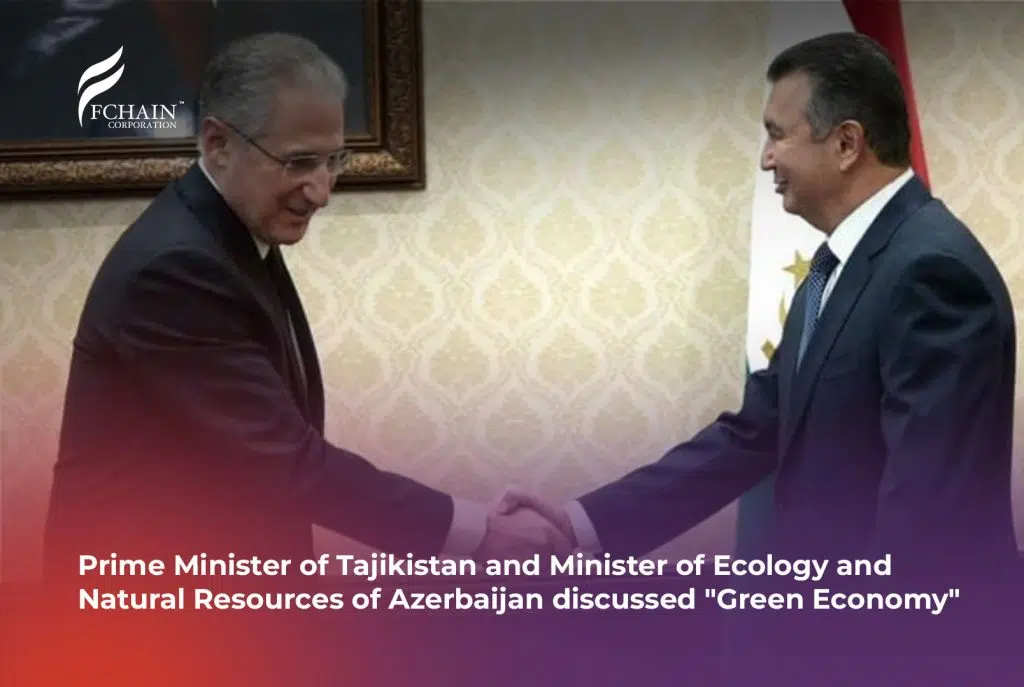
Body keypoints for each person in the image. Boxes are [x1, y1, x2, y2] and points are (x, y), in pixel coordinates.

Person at [499, 32, 1020, 683]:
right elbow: (757, 431)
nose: (766, 158)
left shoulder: (929, 270)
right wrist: (581, 525)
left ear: (847, 143)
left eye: (777, 134)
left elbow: (928, 518)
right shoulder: (839, 266)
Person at [42, 32, 568, 585]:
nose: (321, 191)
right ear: (218, 144)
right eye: (298, 163)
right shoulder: (175, 269)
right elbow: (285, 461)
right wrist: (477, 533)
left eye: (333, 160)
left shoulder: (228, 234)